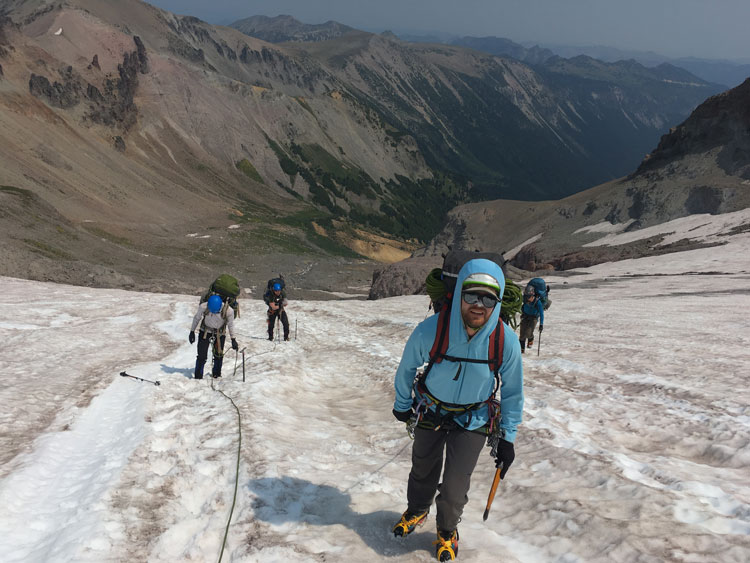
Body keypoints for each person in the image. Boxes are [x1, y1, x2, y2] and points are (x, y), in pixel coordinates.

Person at [391, 259, 524, 561]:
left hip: (474, 417)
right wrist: (402, 405)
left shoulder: (505, 340)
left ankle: (447, 529)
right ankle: (417, 510)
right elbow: (407, 368)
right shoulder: (432, 330)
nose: (479, 305)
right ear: (459, 294)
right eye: (472, 295)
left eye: (488, 298)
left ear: (498, 300)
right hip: (430, 409)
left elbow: (513, 390)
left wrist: (508, 436)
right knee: (423, 468)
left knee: (455, 484)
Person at [189, 294, 238, 379]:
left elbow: (231, 325)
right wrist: (192, 331)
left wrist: (233, 339)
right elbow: (197, 318)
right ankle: (198, 376)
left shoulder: (228, 311)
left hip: (220, 333)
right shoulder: (204, 306)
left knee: (218, 355)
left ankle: (217, 375)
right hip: (205, 332)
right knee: (201, 355)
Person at [519, 284, 545, 353]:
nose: (527, 298)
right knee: (522, 334)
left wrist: (541, 324)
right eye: (526, 296)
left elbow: (541, 313)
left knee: (528, 333)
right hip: (525, 316)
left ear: (532, 295)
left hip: (533, 318)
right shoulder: (524, 299)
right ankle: (521, 350)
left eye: (529, 297)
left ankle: (531, 339)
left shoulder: (537, 302)